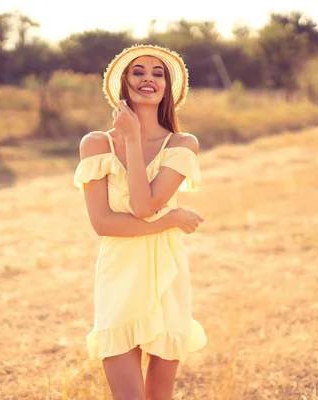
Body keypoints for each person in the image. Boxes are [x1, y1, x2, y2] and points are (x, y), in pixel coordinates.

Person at [74, 44, 207, 400]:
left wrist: (133, 138)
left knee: (159, 394)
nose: (148, 78)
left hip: (166, 273)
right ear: (123, 82)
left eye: (157, 73)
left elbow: (142, 205)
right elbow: (103, 223)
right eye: (138, 71)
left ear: (167, 87)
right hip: (120, 275)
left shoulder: (182, 144)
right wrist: (172, 219)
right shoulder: (95, 144)